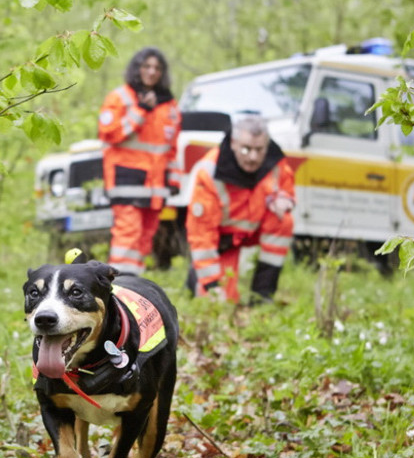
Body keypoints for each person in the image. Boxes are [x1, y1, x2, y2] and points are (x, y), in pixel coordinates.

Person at [186, 113, 295, 304]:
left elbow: (286, 185)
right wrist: (212, 285)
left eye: (259, 150)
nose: (253, 157)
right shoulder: (210, 172)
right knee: (220, 300)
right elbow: (202, 235)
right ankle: (196, 279)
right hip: (223, 242)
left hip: (251, 231)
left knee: (283, 220)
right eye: (246, 149)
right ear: (234, 143)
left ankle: (263, 295)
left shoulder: (275, 161)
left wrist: (284, 199)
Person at [97, 47, 182, 275]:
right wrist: (140, 111)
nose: (152, 72)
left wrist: (173, 181)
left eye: (157, 68)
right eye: (147, 66)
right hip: (126, 179)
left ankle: (134, 286)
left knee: (144, 240)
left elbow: (171, 149)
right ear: (137, 68)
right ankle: (119, 287)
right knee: (127, 236)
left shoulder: (170, 106)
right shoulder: (120, 97)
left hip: (155, 186)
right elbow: (110, 133)